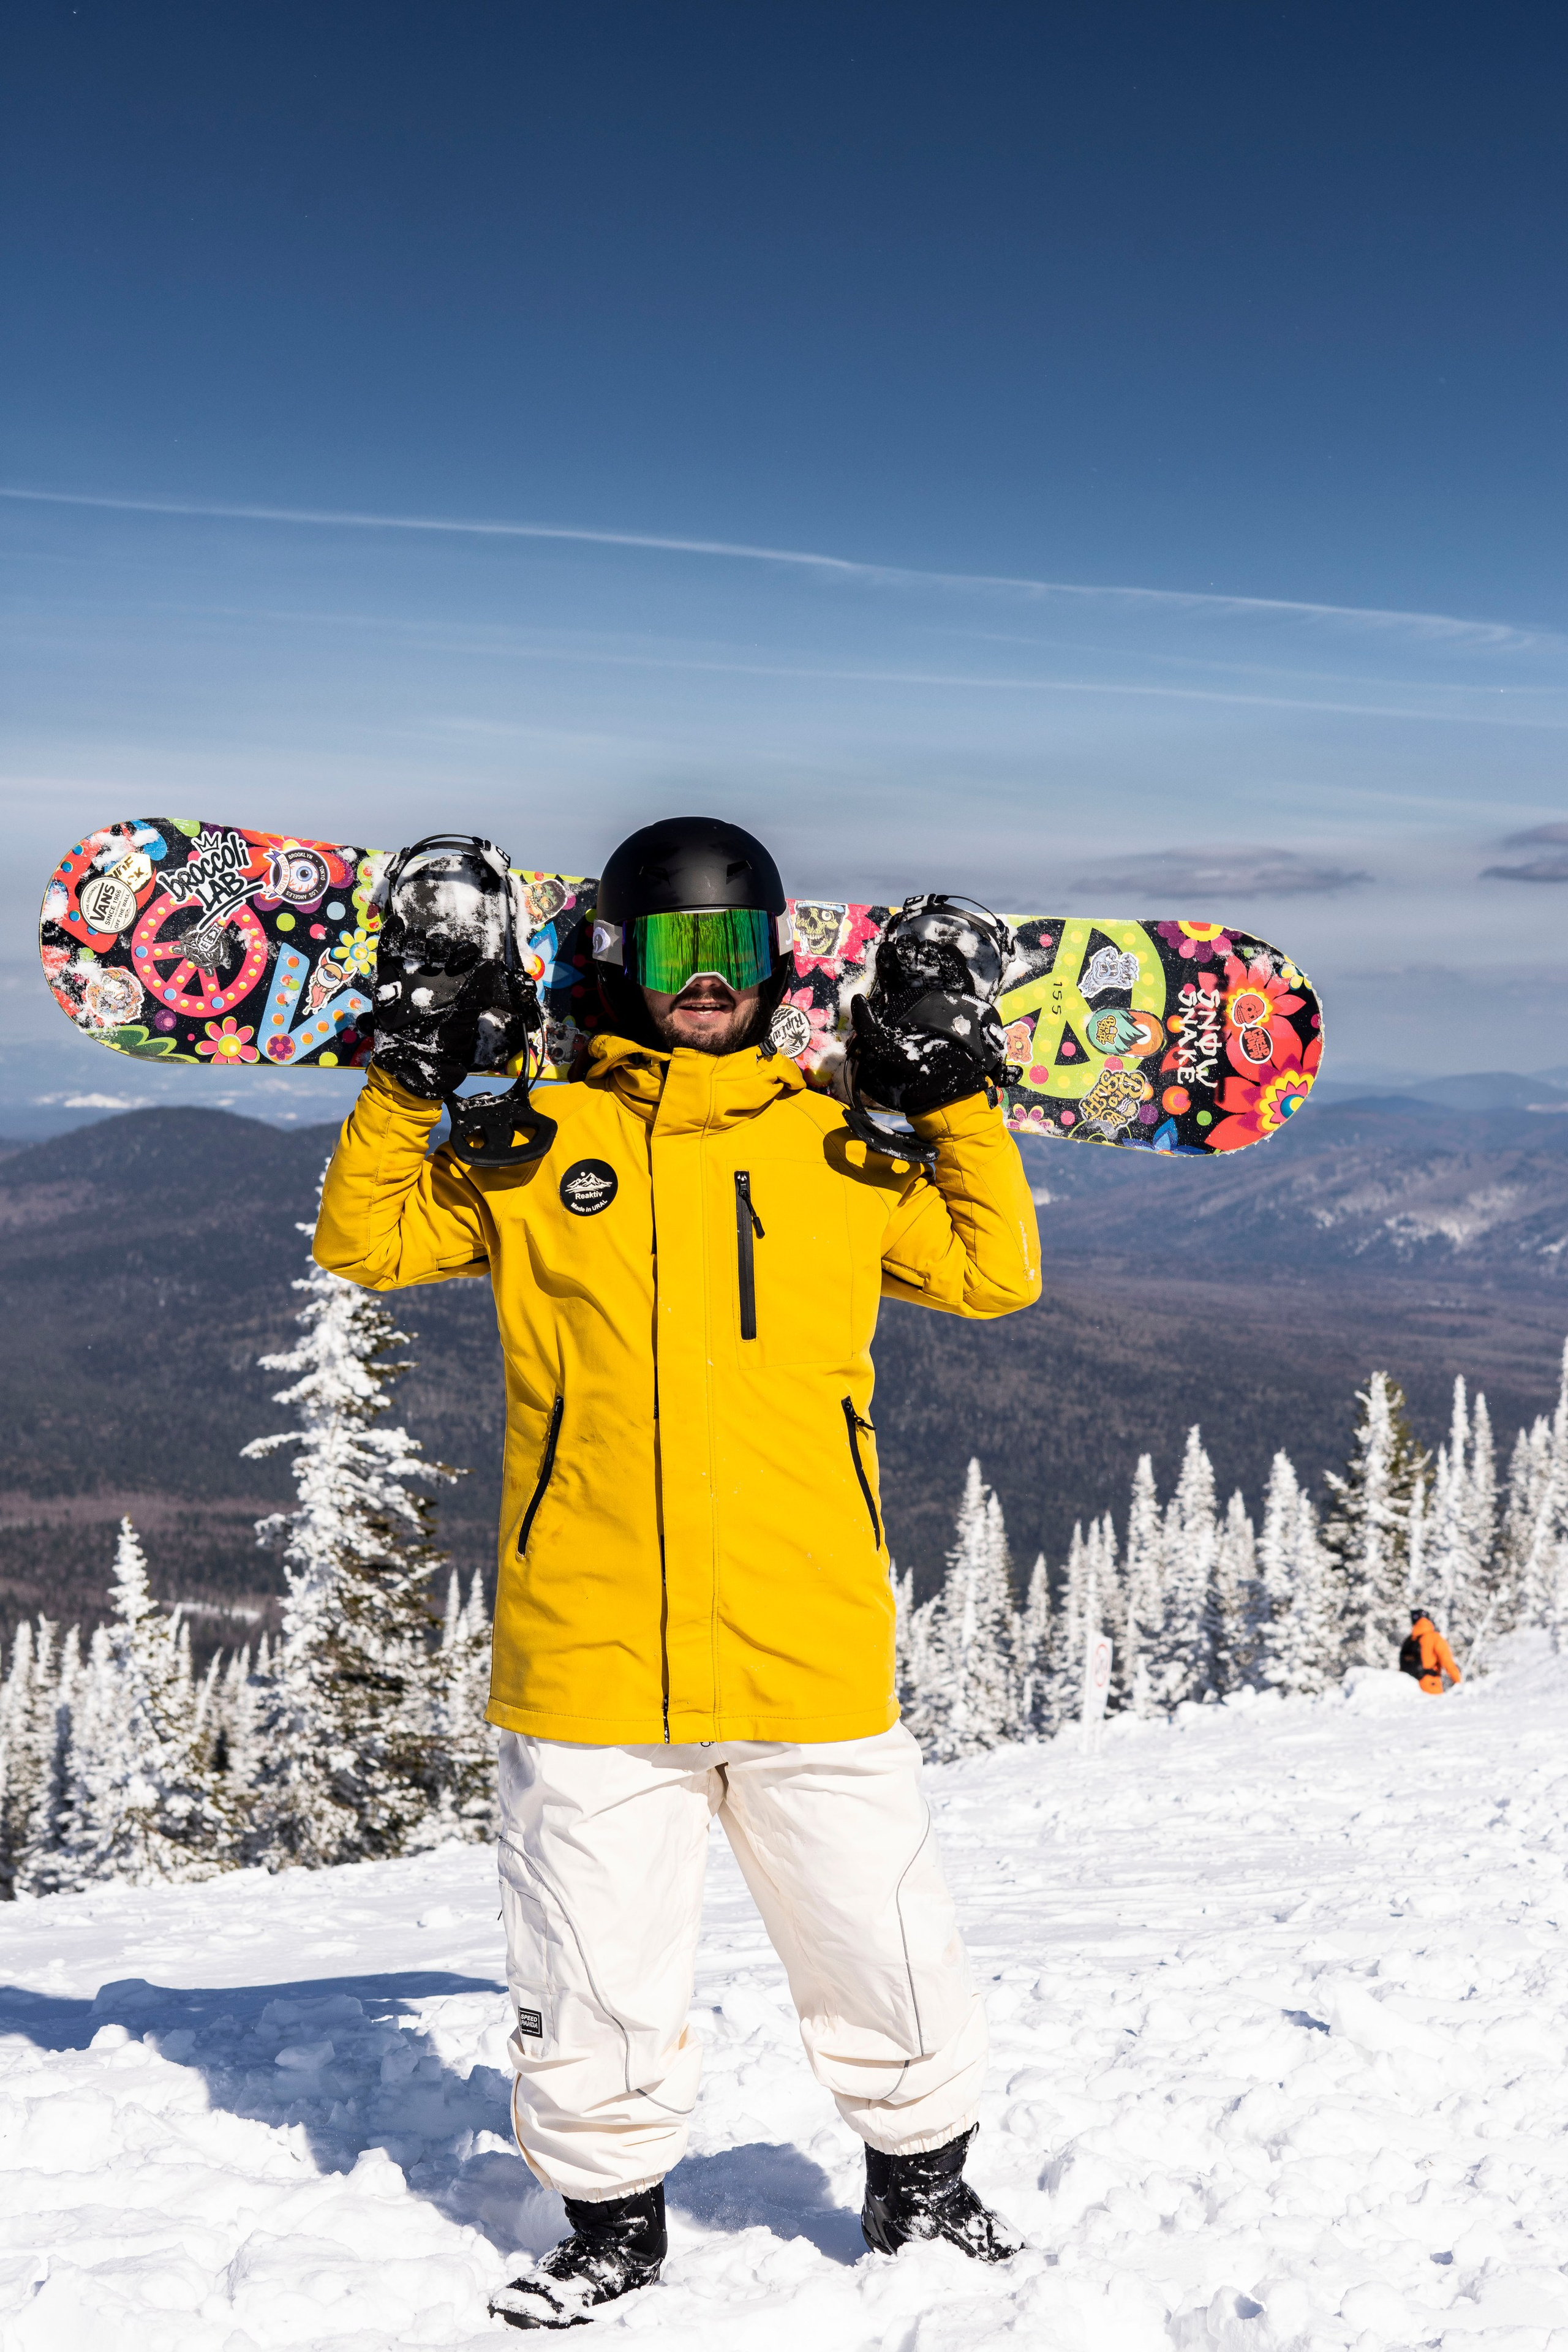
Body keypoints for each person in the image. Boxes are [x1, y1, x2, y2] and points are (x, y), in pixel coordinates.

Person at [314, 815, 1042, 2331]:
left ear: (775, 969)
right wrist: (409, 1075)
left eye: (728, 954)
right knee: (593, 1971)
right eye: (669, 951)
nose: (700, 982)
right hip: (587, 1654)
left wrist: (943, 1086)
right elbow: (364, 1239)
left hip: (807, 1644)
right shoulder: (538, 1147)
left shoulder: (832, 1147)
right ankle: (610, 2224)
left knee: (885, 1947)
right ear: (619, 962)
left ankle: (921, 2182)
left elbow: (992, 1269)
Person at [1399, 1607, 1462, 1695]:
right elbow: (1448, 1662)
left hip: (1409, 1687)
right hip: (1430, 1686)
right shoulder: (1435, 1638)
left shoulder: (1410, 1640)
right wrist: (1459, 1682)